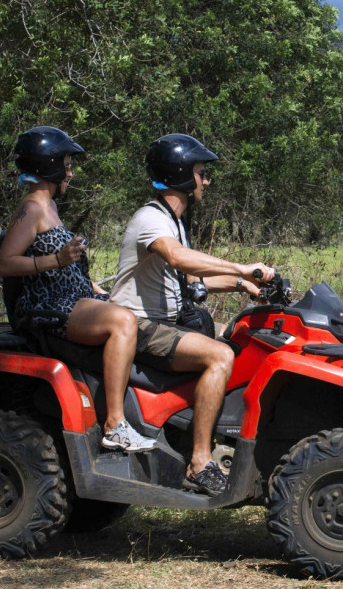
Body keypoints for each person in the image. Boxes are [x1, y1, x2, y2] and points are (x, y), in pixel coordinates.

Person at [109, 133, 273, 496]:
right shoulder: (151, 218)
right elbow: (178, 258)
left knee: (235, 339)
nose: (206, 181)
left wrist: (242, 285)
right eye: (201, 173)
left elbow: (189, 280)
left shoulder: (174, 221)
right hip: (140, 325)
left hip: (162, 322)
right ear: (182, 176)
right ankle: (200, 462)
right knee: (220, 356)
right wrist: (243, 268)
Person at [0, 126, 156, 453]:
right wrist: (55, 259)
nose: (70, 172)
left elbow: (67, 267)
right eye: (66, 164)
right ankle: (115, 424)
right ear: (50, 166)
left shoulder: (49, 207)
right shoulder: (32, 208)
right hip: (49, 305)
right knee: (122, 322)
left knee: (134, 311)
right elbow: (7, 263)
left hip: (72, 297)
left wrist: (97, 289)